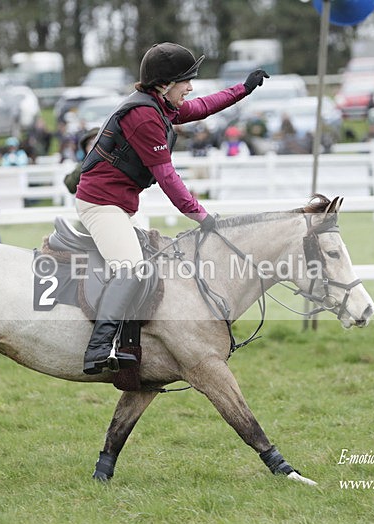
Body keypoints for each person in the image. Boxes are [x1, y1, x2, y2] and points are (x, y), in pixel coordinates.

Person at [75, 41, 268, 374]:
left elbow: (201, 107)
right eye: (186, 81)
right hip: (100, 205)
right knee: (133, 269)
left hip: (116, 204)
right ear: (165, 84)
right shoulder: (144, 117)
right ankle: (98, 349)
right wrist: (202, 218)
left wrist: (243, 90)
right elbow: (167, 178)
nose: (191, 88)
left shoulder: (157, 105)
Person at [63, 127, 99, 194]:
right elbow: (70, 186)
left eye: (97, 142)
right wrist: (85, 166)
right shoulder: (82, 166)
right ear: (85, 148)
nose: (94, 147)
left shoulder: (114, 164)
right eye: (90, 143)